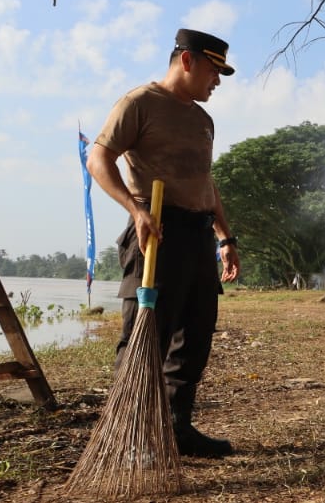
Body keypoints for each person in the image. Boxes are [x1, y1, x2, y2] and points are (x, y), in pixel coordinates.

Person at [88, 28, 241, 459]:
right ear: (187, 61)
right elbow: (98, 158)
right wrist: (135, 210)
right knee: (145, 336)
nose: (218, 81)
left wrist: (225, 237)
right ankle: (130, 436)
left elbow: (206, 183)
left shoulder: (202, 119)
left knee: (195, 338)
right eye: (214, 70)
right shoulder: (139, 103)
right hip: (156, 233)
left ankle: (177, 428)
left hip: (198, 236)